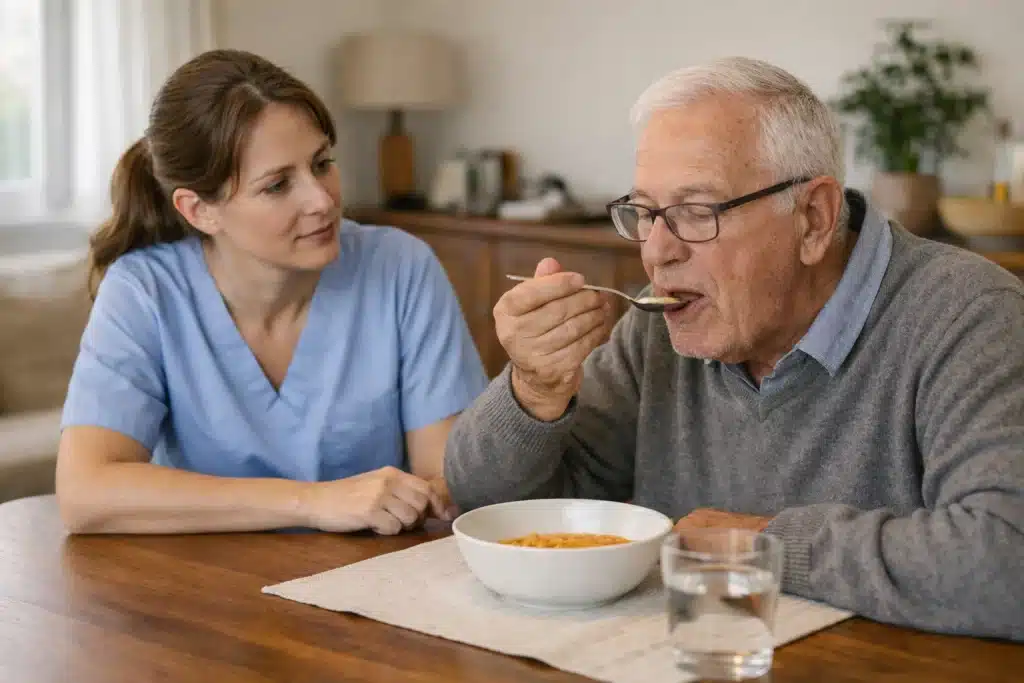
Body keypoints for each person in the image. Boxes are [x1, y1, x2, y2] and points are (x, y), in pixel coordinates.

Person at [444, 57, 1024, 641]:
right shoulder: (658, 327)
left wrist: (763, 545)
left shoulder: (971, 314)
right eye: (645, 213)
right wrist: (533, 393)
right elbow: (490, 511)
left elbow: (1008, 562)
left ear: (814, 219)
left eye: (697, 213)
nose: (657, 252)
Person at [56, 49, 488, 536]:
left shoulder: (401, 268)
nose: (321, 200)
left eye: (322, 163)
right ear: (199, 210)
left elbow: (445, 484)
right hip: (199, 588)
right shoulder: (145, 291)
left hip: (363, 582)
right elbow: (84, 494)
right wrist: (312, 503)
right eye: (278, 185)